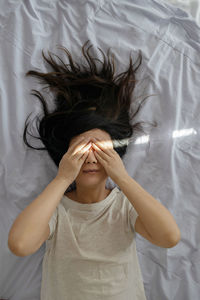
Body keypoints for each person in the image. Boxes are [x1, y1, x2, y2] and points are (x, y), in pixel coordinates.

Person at [8, 41, 181, 300]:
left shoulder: (125, 206)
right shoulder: (54, 210)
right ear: (64, 155)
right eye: (80, 149)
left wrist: (121, 176)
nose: (90, 158)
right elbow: (20, 245)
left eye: (100, 150)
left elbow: (169, 237)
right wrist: (63, 177)